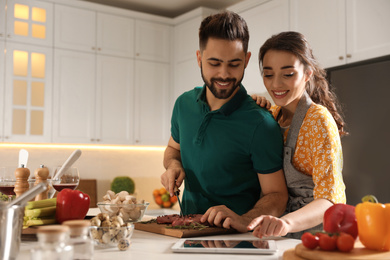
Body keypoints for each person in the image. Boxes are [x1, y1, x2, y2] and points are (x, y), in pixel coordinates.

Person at [161, 11, 288, 232]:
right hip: (186, 234)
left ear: (246, 61)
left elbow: (277, 195)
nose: (224, 74)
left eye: (234, 64)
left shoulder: (260, 123)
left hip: (237, 241)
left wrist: (245, 220)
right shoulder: (183, 105)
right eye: (214, 63)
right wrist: (173, 165)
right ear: (199, 59)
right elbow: (173, 149)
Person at [247, 31, 347, 239]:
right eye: (268, 74)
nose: (275, 85)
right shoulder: (271, 117)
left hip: (314, 238)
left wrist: (286, 222)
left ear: (308, 73)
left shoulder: (318, 120)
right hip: (276, 236)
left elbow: (330, 199)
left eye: (288, 74)